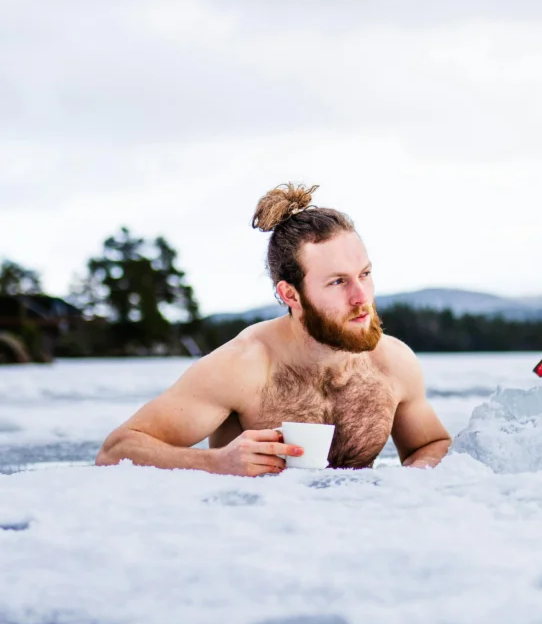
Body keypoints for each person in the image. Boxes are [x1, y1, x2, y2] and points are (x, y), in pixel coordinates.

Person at [96, 184, 452, 475]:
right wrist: (214, 463)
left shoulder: (394, 362)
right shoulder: (243, 367)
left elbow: (430, 445)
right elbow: (116, 450)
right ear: (290, 294)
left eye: (365, 275)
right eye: (338, 282)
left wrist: (413, 482)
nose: (362, 297)